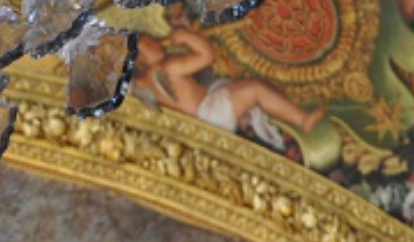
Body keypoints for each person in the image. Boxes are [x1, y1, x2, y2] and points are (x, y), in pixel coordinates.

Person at [136, 25, 322, 151]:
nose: (157, 43)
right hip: (210, 112)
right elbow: (207, 55)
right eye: (149, 45)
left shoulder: (144, 84)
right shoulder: (169, 67)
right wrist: (187, 37)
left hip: (204, 119)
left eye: (153, 39)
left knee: (239, 89)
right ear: (140, 59)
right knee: (255, 89)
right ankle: (302, 119)